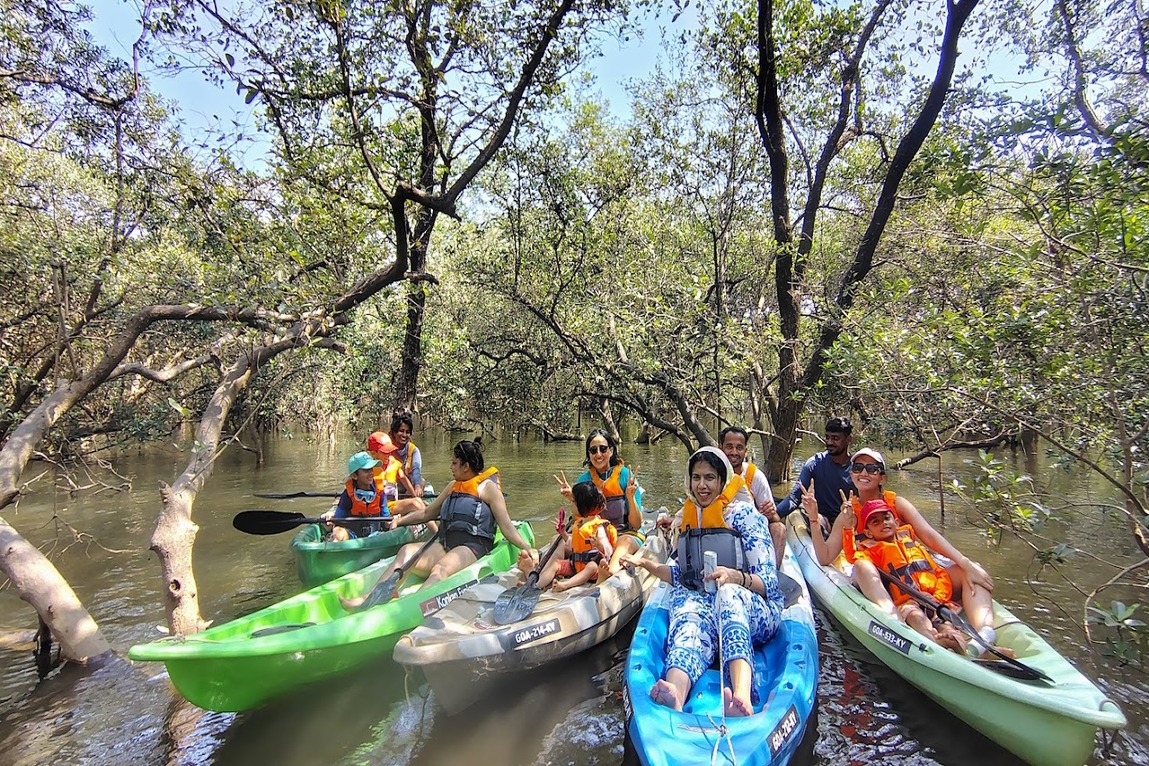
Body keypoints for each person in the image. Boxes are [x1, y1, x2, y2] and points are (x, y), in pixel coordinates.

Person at [623, 447, 785, 717]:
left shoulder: (746, 517)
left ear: (722, 481)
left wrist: (734, 577)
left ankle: (741, 698)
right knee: (688, 611)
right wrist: (646, 564)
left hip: (753, 609)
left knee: (727, 596)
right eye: (696, 478)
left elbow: (768, 583)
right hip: (706, 606)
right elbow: (682, 575)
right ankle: (675, 691)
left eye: (709, 478)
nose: (702, 485)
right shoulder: (689, 520)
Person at [805, 447, 1003, 654]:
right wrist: (813, 518)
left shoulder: (897, 504)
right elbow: (825, 557)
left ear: (882, 477)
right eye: (858, 467)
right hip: (886, 584)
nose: (864, 473)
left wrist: (966, 563)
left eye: (872, 469)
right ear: (851, 473)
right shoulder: (848, 513)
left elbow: (929, 536)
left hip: (917, 580)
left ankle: (984, 638)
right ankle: (899, 624)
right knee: (862, 566)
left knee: (973, 573)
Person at [341, 439, 533, 608]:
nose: (451, 467)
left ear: (466, 466)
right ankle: (374, 595)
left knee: (440, 569)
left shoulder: (489, 489)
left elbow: (506, 526)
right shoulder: (453, 486)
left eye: (454, 463)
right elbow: (426, 513)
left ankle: (409, 607)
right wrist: (400, 521)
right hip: (446, 543)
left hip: (472, 546)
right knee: (407, 551)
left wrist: (526, 547)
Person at [846, 498, 968, 654]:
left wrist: (938, 597)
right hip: (908, 603)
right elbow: (852, 558)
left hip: (934, 601)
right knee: (917, 618)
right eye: (876, 522)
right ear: (869, 532)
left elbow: (940, 573)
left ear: (896, 522)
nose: (884, 523)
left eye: (887, 518)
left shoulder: (915, 546)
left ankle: (966, 652)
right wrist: (848, 530)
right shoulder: (872, 551)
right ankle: (934, 643)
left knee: (948, 626)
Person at [553, 429, 644, 577]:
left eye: (603, 449)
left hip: (623, 532)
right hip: (594, 538)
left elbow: (637, 524)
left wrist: (630, 497)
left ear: (611, 451)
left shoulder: (626, 476)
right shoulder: (584, 480)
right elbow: (579, 520)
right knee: (556, 541)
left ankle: (609, 573)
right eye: (593, 450)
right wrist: (573, 499)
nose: (598, 454)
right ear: (589, 454)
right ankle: (545, 574)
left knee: (624, 542)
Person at [719, 425, 786, 569]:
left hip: (751, 534)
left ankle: (771, 574)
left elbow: (775, 519)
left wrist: (770, 514)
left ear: (745, 451)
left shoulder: (755, 476)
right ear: (720, 448)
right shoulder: (712, 472)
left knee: (779, 528)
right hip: (720, 532)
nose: (734, 452)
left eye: (739, 447)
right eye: (729, 447)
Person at [775, 417, 856, 530]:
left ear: (849, 439)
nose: (829, 442)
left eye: (835, 438)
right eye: (827, 437)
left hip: (848, 520)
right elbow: (794, 498)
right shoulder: (815, 464)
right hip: (822, 519)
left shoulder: (858, 469)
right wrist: (774, 515)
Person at [321, 451, 392, 542]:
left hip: (376, 535)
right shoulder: (347, 495)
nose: (371, 473)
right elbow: (338, 520)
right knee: (337, 531)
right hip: (352, 535)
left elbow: (386, 519)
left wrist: (393, 521)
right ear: (354, 476)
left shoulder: (380, 493)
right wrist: (330, 520)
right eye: (366, 470)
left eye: (371, 469)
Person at [366, 431, 424, 514]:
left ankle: (433, 524)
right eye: (385, 452)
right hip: (378, 507)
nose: (388, 454)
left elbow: (404, 479)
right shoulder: (367, 469)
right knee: (415, 504)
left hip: (392, 504)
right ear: (373, 453)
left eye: (389, 451)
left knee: (417, 501)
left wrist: (414, 495)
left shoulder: (394, 464)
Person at [389, 413, 424, 497]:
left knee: (421, 482)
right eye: (401, 431)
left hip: (408, 488)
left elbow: (416, 470)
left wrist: (418, 486)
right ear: (394, 433)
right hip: (390, 486)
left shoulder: (413, 450)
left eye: (407, 432)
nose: (404, 435)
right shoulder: (386, 448)